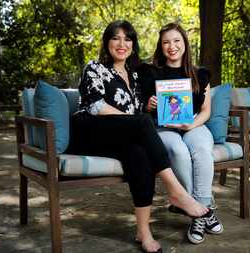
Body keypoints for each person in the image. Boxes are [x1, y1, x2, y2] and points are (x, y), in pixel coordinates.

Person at [68, 20, 208, 253]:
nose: (122, 44)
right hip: (89, 130)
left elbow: (141, 108)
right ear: (107, 42)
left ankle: (143, 232)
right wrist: (133, 120)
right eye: (116, 38)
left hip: (119, 136)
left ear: (133, 44)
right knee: (141, 123)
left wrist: (150, 105)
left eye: (127, 39)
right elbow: (96, 106)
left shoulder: (134, 76)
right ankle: (177, 192)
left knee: (140, 154)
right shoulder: (94, 67)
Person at [138, 22, 223, 245]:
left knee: (203, 150)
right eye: (166, 42)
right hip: (162, 126)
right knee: (178, 151)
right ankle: (204, 211)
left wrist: (192, 125)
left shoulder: (200, 74)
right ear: (160, 46)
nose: (172, 46)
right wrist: (148, 105)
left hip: (193, 125)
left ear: (185, 43)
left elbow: (205, 112)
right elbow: (140, 107)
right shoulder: (150, 73)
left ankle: (199, 212)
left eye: (176, 41)